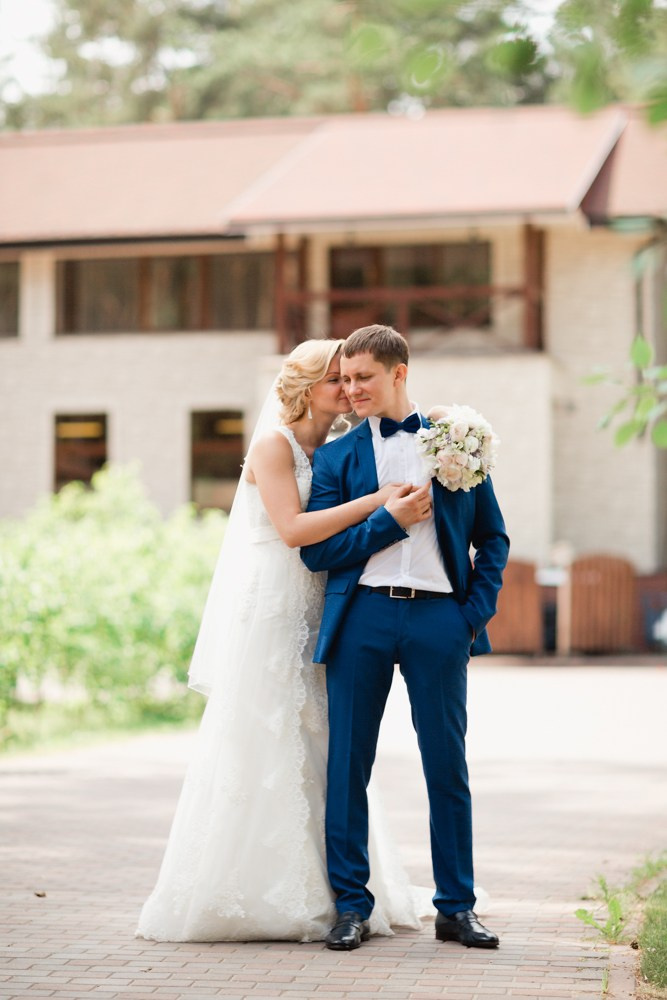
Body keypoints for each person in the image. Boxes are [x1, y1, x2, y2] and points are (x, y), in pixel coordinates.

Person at [136, 338, 431, 943]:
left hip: (324, 604)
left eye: (351, 379)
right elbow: (294, 529)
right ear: (304, 385)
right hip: (276, 607)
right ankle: (261, 890)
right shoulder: (274, 445)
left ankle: (342, 889)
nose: (347, 390)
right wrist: (381, 504)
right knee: (269, 737)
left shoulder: (337, 449)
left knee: (327, 744)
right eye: (335, 380)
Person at [301, 324, 510, 951]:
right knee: (348, 767)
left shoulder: (458, 445)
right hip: (361, 617)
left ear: (400, 373)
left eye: (364, 377)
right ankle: (350, 907)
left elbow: (493, 538)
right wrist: (387, 524)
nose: (352, 389)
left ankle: (457, 907)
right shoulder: (338, 458)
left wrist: (469, 615)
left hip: (439, 621)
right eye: (345, 378)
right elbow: (321, 553)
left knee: (447, 766)